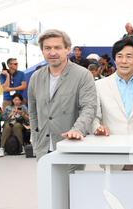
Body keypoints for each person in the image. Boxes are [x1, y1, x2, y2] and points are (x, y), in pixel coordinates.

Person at [28, 29, 97, 161]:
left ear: (67, 49)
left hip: (71, 145)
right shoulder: (36, 77)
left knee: (71, 182)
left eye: (57, 48)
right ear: (42, 51)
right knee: (45, 182)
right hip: (43, 147)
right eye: (47, 48)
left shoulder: (82, 75)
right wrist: (35, 139)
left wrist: (77, 130)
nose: (52, 52)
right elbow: (32, 112)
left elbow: (89, 107)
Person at [92, 38, 133, 138]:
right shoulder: (99, 85)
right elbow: (94, 116)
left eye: (129, 57)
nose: (124, 61)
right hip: (110, 143)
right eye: (119, 56)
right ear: (115, 59)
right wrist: (97, 128)